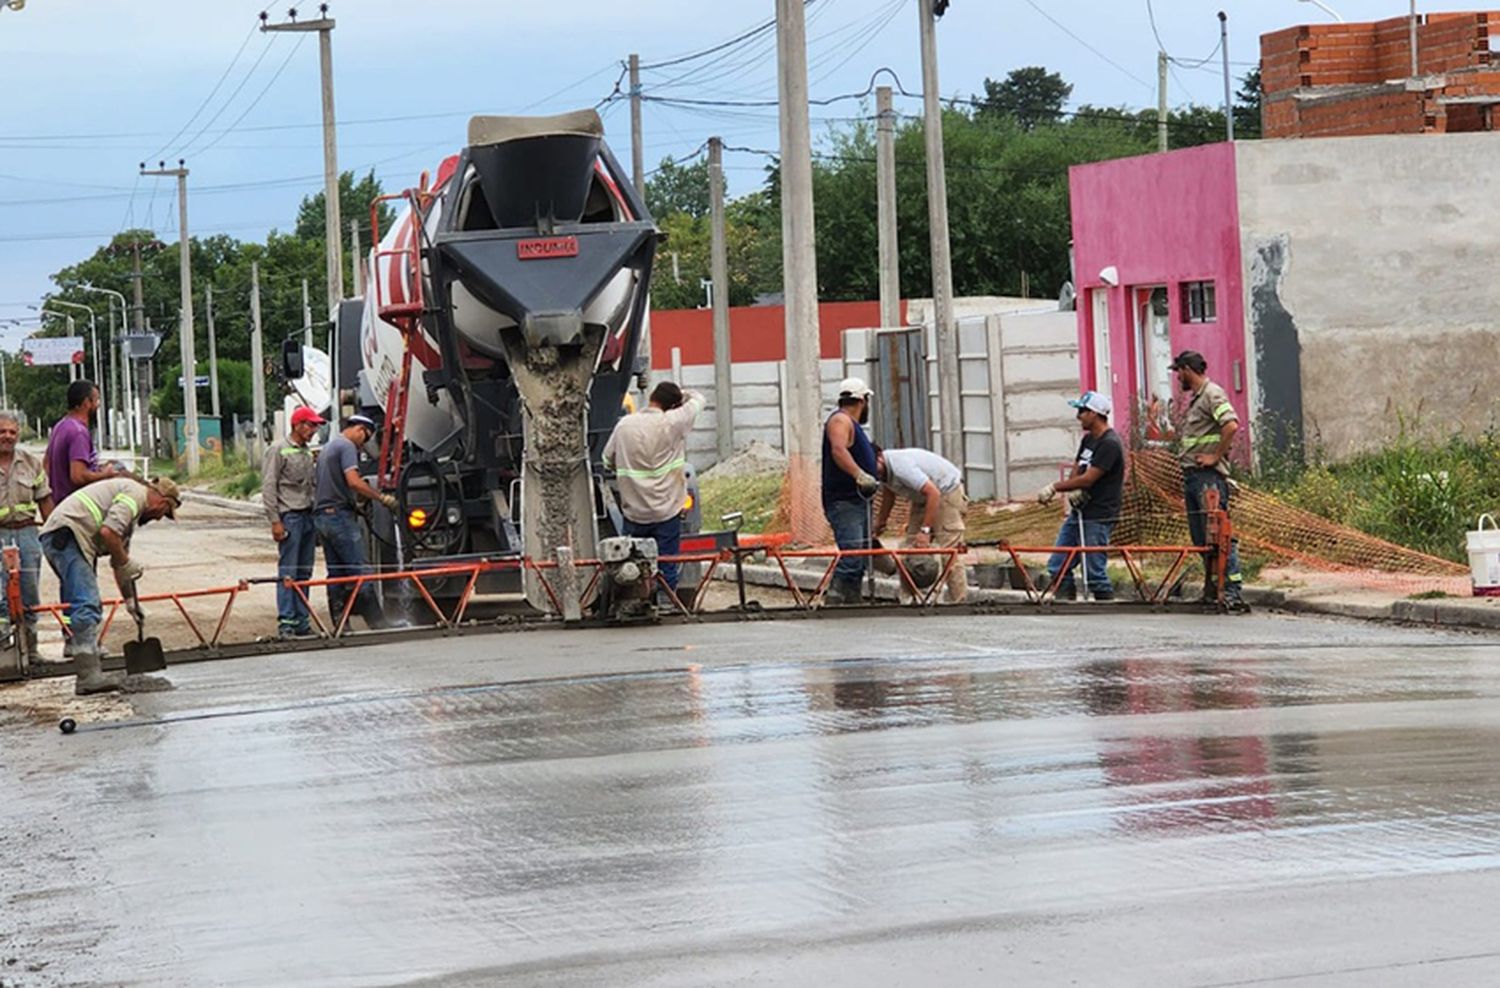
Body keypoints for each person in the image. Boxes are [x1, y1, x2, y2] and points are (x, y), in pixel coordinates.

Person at [38, 475, 181, 694]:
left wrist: (131, 602)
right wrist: (125, 561)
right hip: (67, 535)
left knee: (76, 600)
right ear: (162, 502)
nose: (159, 518)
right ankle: (88, 676)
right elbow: (108, 533)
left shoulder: (129, 515)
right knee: (87, 602)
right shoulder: (134, 496)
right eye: (164, 513)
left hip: (64, 535)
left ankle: (80, 655)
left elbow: (119, 563)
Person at [602, 381, 705, 595]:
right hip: (667, 510)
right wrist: (684, 395)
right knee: (666, 561)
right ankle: (666, 600)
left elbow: (606, 460)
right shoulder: (674, 422)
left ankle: (634, 599)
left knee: (629, 561)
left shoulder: (624, 426)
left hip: (635, 511)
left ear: (652, 398)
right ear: (673, 406)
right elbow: (699, 400)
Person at [1169, 350, 1249, 612]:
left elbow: (1231, 425)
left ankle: (1232, 592)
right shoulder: (1198, 398)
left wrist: (1215, 456)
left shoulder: (1213, 394)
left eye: (1178, 371)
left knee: (1220, 536)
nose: (1177, 377)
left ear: (1188, 369)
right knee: (1203, 539)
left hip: (1207, 479)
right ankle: (1213, 590)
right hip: (1193, 476)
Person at [1036, 391, 1126, 601]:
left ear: (1095, 414)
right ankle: (1066, 603)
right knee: (1058, 564)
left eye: (1082, 411)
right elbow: (1078, 471)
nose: (1078, 416)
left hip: (1099, 514)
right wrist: (1073, 488)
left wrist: (1055, 487)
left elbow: (1089, 479)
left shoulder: (1109, 444)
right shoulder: (1088, 440)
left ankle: (1106, 608)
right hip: (1079, 512)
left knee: (1094, 571)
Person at [314, 414, 398, 629]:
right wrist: (381, 497)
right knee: (360, 569)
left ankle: (341, 624)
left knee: (336, 574)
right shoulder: (347, 447)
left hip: (323, 516)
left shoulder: (328, 447)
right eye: (365, 438)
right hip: (338, 517)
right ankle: (377, 622)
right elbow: (353, 481)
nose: (363, 444)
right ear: (360, 430)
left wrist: (355, 506)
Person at [872, 444, 969, 603]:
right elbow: (889, 495)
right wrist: (880, 523)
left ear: (880, 457)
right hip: (922, 497)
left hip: (945, 491)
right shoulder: (883, 472)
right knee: (910, 548)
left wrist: (925, 531)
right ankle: (909, 599)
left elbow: (934, 493)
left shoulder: (901, 466)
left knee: (949, 550)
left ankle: (959, 600)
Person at [263, 406, 324, 639]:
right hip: (290, 517)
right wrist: (275, 521)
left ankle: (301, 621)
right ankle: (286, 622)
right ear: (298, 425)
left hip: (307, 516)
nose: (314, 430)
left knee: (303, 571)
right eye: (311, 425)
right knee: (288, 571)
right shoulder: (278, 450)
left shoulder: (307, 452)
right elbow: (269, 486)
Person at [0, 413, 55, 662]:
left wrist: (56, 532)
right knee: (0, 595)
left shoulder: (32, 463)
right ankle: (6, 653)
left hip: (27, 534)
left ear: (18, 434)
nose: (7, 437)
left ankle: (31, 650)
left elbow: (45, 499)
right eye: (2, 431)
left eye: (12, 432)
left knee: (29, 593)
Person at [821, 377, 879, 605]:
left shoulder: (850, 424)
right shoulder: (840, 421)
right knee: (853, 553)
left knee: (861, 554)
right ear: (862, 400)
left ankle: (852, 598)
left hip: (858, 500)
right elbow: (838, 450)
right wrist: (859, 475)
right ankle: (835, 597)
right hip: (845, 501)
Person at [44, 379, 120, 506]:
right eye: (96, 400)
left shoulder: (61, 426)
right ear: (86, 403)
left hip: (59, 504)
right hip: (77, 507)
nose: (98, 405)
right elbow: (78, 476)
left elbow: (46, 464)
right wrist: (105, 474)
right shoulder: (78, 432)